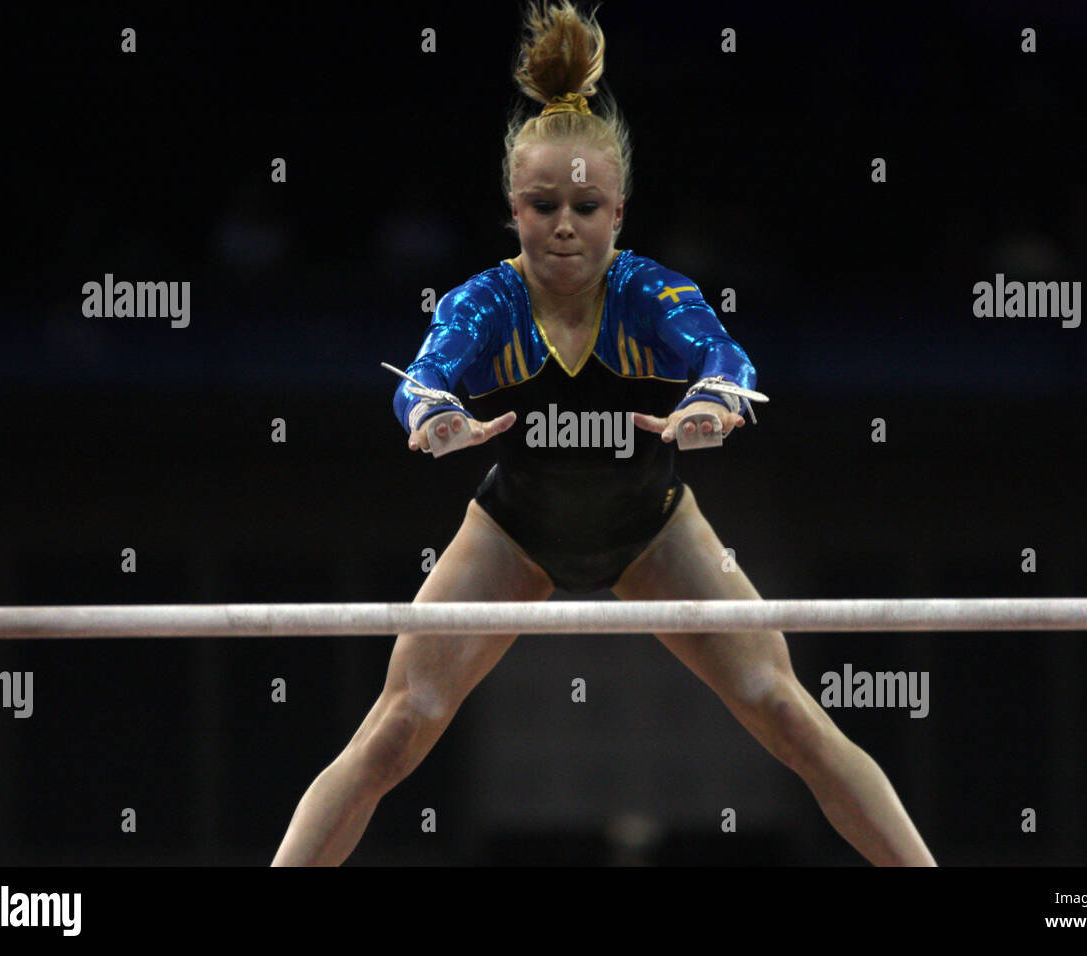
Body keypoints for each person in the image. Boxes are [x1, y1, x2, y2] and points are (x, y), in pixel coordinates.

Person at [272, 0, 935, 866]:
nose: (563, 225)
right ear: (512, 208)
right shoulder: (487, 303)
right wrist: (433, 418)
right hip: (512, 536)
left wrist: (714, 407)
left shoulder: (651, 295)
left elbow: (728, 361)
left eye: (586, 206)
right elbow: (426, 375)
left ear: (619, 213)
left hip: (655, 531)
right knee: (400, 726)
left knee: (785, 711)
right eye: (543, 204)